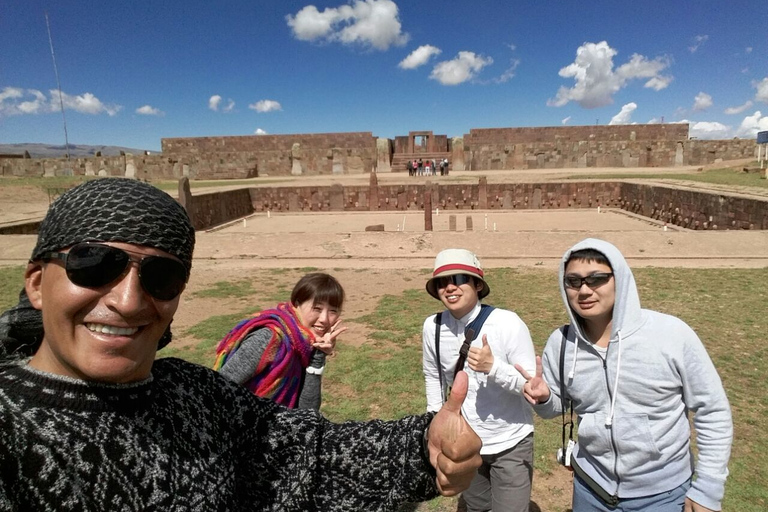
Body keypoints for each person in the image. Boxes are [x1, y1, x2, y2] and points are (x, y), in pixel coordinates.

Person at [0, 178, 483, 511]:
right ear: (38, 282)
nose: (127, 301)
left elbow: (310, 456)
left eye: (161, 276)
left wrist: (422, 446)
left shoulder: (194, 395)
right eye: (95, 264)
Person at [517, 238, 733, 512]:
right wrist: (546, 398)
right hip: (590, 489)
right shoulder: (561, 342)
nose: (584, 290)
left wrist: (708, 489)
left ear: (619, 279)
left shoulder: (671, 335)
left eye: (596, 279)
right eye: (574, 281)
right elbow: (556, 409)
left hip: (663, 495)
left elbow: (712, 410)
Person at [422, 248, 536, 512]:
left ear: (477, 284)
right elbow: (432, 374)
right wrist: (433, 419)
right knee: (476, 507)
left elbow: (530, 387)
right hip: (464, 441)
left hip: (510, 441)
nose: (450, 287)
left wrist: (493, 367)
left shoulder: (507, 323)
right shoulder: (433, 327)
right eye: (442, 282)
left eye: (460, 278)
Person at [214, 272, 346, 410]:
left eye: (333, 311)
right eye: (317, 308)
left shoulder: (304, 345)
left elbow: (307, 412)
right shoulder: (269, 339)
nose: (324, 319)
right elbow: (216, 389)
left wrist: (318, 356)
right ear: (297, 303)